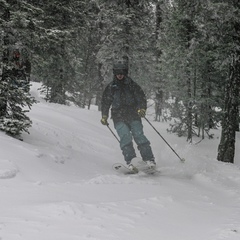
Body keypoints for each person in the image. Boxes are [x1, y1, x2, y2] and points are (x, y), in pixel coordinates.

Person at [100, 60, 156, 172]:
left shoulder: (132, 85)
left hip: (133, 115)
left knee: (139, 135)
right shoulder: (111, 87)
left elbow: (141, 98)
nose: (120, 75)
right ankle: (131, 161)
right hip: (118, 116)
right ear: (114, 73)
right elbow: (105, 102)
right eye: (117, 73)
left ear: (125, 73)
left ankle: (149, 160)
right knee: (125, 137)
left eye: (122, 73)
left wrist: (141, 108)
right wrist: (104, 116)